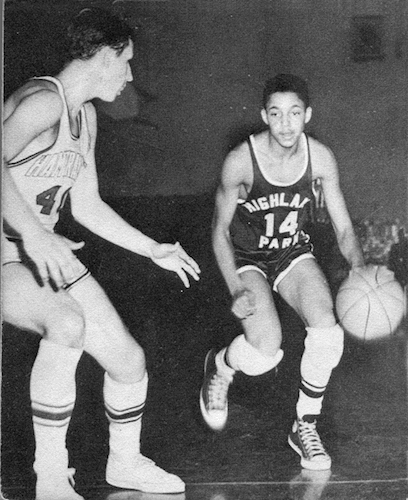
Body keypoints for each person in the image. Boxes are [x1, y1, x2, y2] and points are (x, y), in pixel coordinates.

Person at [2, 8, 201, 499]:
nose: (131, 74)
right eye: (127, 61)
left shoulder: (84, 116)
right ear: (103, 56)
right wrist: (34, 235)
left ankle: (125, 464)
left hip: (42, 253)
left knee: (129, 361)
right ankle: (50, 479)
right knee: (67, 323)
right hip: (10, 253)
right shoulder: (42, 101)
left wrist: (151, 247)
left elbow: (86, 205)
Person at [199, 74, 365, 470]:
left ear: (307, 114)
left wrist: (358, 265)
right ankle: (220, 366)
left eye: (294, 113)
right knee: (264, 352)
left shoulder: (320, 158)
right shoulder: (241, 160)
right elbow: (219, 232)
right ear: (264, 116)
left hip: (291, 251)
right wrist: (235, 288)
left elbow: (343, 227)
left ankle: (304, 425)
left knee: (327, 329)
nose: (286, 124)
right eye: (276, 114)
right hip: (247, 257)